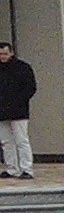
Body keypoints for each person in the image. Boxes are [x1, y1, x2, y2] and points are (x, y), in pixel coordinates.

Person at [0, 42, 35, 179]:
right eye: (0, 54)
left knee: (21, 140)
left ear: (11, 53)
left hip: (18, 111)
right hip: (2, 112)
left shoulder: (23, 68)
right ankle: (12, 168)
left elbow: (31, 88)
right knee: (6, 141)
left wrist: (17, 102)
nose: (2, 57)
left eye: (5, 54)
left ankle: (27, 169)